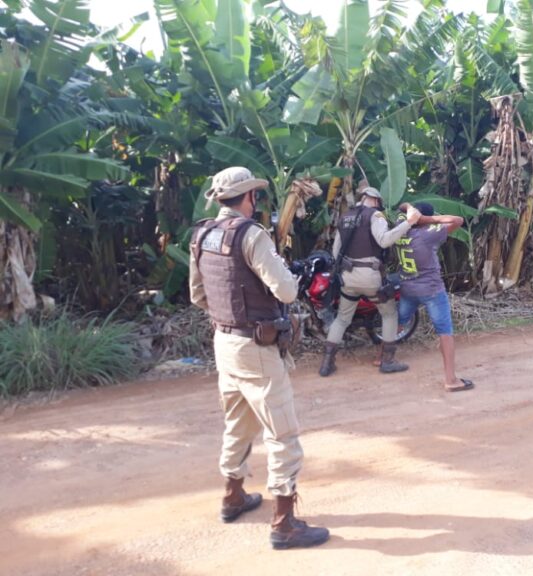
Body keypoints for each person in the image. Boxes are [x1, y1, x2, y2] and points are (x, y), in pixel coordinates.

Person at [189, 166, 329, 550]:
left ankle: (233, 496)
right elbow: (285, 291)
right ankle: (284, 524)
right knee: (282, 433)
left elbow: (198, 296)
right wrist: (291, 277)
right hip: (257, 347)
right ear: (249, 197)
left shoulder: (202, 233)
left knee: (238, 424)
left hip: (224, 343)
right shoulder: (251, 235)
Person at [318, 186, 422, 377]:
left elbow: (335, 252)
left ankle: (327, 363)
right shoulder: (374, 216)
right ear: (374, 200)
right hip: (370, 277)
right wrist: (408, 223)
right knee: (389, 314)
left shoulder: (345, 217)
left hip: (348, 277)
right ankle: (387, 361)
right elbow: (384, 240)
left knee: (342, 318)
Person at [394, 202, 474, 393]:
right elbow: (458, 220)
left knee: (398, 322)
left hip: (407, 287)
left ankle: (383, 357)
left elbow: (400, 208)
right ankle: (451, 379)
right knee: (445, 331)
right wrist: (426, 219)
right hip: (431, 290)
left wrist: (409, 211)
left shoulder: (400, 232)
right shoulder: (429, 234)